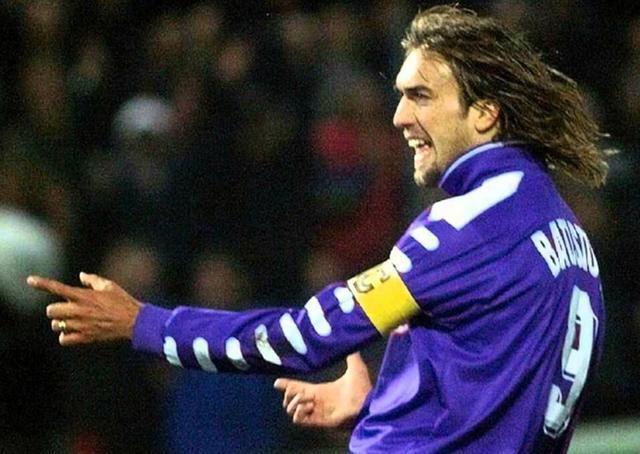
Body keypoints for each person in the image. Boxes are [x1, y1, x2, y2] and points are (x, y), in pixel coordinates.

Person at [28, 5, 609, 453]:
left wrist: (144, 323)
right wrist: (384, 404)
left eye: (420, 96)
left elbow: (302, 339)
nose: (399, 117)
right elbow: (498, 399)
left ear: (484, 112)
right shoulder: (568, 238)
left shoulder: (466, 229)